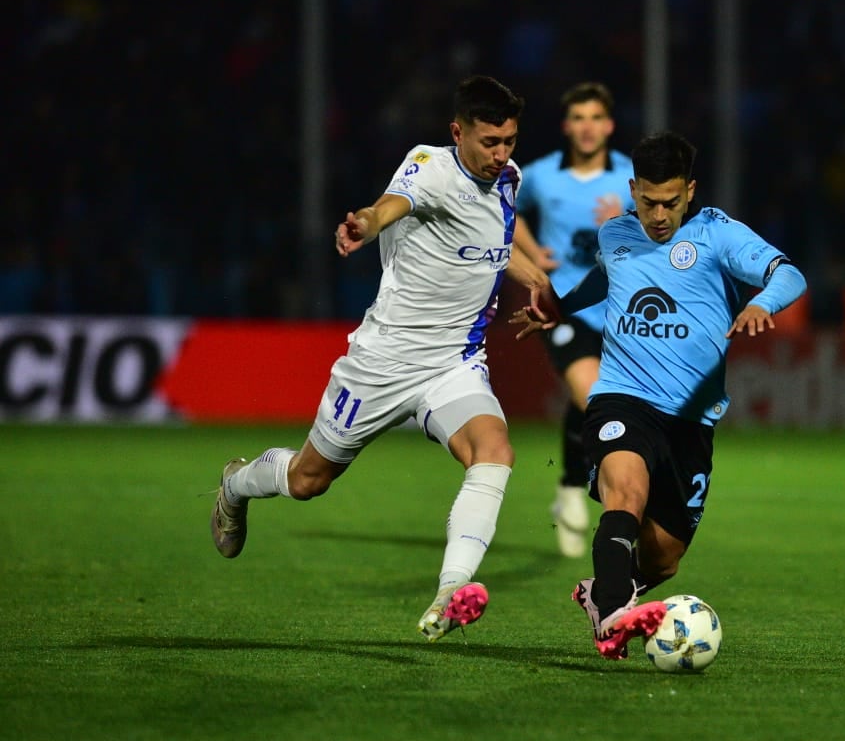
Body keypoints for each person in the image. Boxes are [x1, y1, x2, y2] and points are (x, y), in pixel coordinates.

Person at [209, 75, 556, 642]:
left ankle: (451, 590)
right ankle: (236, 485)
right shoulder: (429, 166)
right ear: (457, 132)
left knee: (494, 451)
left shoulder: (508, 180)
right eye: (489, 141)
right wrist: (365, 223)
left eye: (509, 141)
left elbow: (490, 250)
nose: (500, 154)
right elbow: (391, 206)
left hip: (453, 362)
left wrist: (535, 280)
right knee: (307, 481)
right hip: (383, 363)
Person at [512, 131, 808, 659]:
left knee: (664, 559)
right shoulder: (616, 233)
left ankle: (604, 591)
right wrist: (559, 305)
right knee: (626, 493)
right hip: (622, 397)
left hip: (691, 419)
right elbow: (606, 280)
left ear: (690, 191)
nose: (659, 214)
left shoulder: (718, 235)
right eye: (648, 201)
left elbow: (788, 273)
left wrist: (764, 303)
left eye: (671, 201)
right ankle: (611, 614)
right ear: (633, 190)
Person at [512, 82, 635, 558]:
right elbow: (508, 208)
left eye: (595, 118)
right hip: (564, 303)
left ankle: (567, 488)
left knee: (591, 399)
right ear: (568, 126)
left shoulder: (629, 177)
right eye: (578, 118)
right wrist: (530, 252)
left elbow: (659, 233)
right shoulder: (541, 176)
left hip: (618, 309)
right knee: (592, 394)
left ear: (609, 125)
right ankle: (596, 492)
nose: (587, 127)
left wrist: (623, 222)